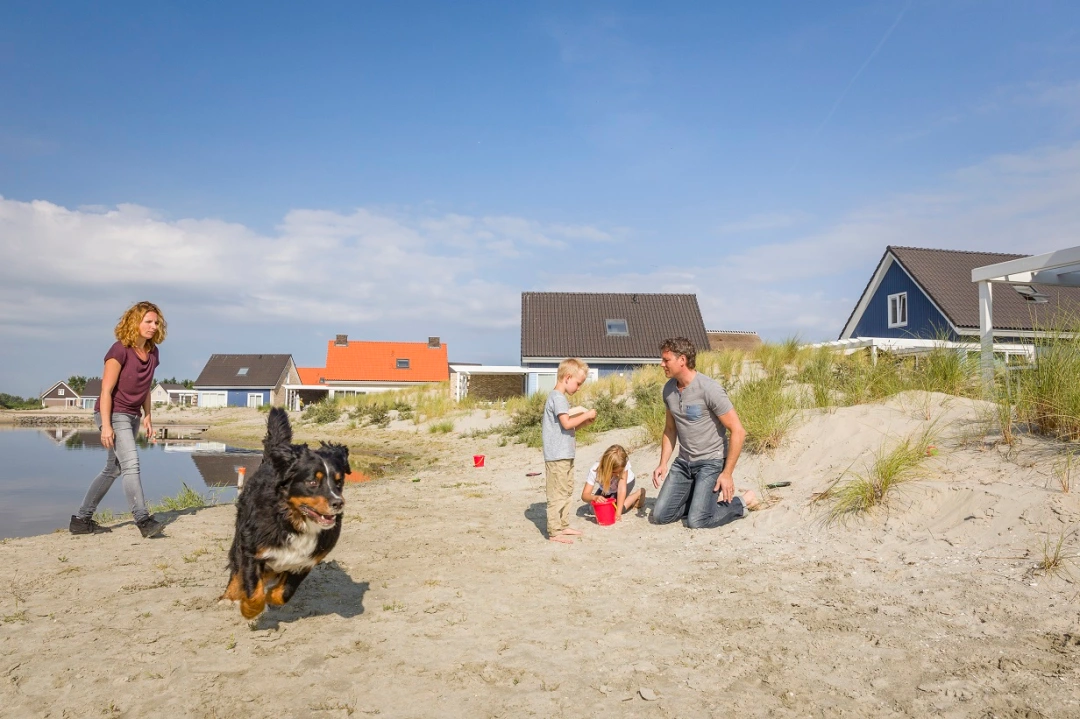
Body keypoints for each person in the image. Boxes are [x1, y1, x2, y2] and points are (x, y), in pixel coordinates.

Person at [69, 301, 168, 538]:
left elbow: (145, 387)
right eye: (148, 322)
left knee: (113, 469)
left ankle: (81, 520)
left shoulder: (153, 353)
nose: (153, 326)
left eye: (156, 323)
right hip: (113, 413)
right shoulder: (119, 350)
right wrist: (106, 426)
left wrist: (148, 416)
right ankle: (143, 519)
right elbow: (106, 390)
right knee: (131, 464)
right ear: (134, 322)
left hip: (132, 415)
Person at [650, 337, 758, 528]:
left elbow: (738, 431)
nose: (661, 364)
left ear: (682, 360)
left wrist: (727, 473)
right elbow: (670, 429)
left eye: (666, 360)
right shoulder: (668, 390)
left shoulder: (709, 389)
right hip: (684, 463)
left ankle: (742, 501)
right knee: (660, 516)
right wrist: (663, 463)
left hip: (710, 463)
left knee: (697, 521)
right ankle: (700, 502)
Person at [542, 358, 597, 544]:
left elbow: (568, 428)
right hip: (557, 456)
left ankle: (563, 524)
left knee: (566, 490)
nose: (579, 388)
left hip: (565, 454)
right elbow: (566, 423)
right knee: (557, 493)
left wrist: (584, 421)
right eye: (578, 383)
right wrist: (586, 414)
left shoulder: (560, 398)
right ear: (567, 378)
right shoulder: (558, 398)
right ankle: (554, 530)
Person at [580, 444, 646, 521]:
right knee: (594, 509)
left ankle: (639, 493)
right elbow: (584, 495)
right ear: (607, 468)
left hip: (626, 483)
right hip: (607, 488)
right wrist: (594, 498)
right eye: (614, 472)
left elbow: (621, 489)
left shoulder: (622, 463)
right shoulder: (595, 470)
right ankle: (619, 500)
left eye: (620, 472)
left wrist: (618, 513)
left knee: (614, 509)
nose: (618, 475)